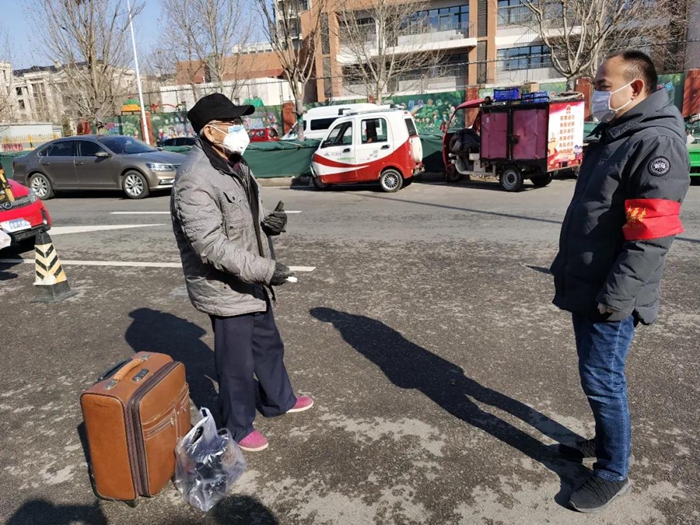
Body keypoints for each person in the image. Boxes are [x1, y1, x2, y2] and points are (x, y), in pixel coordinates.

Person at [550, 50, 690, 513]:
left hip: (612, 293)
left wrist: (617, 297)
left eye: (603, 85)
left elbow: (651, 237)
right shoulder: (619, 133)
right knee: (595, 375)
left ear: (636, 87)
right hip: (590, 283)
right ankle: (605, 440)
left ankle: (613, 470)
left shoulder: (655, 142)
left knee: (602, 379)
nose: (595, 92)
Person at [171, 93, 314, 453]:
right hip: (225, 287)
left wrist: (269, 221)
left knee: (268, 344)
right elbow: (210, 245)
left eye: (240, 122)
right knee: (236, 362)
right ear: (210, 131)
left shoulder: (234, 162)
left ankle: (279, 400)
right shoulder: (194, 179)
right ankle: (237, 425)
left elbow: (247, 209)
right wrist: (266, 269)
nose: (240, 129)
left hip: (251, 277)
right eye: (232, 123)